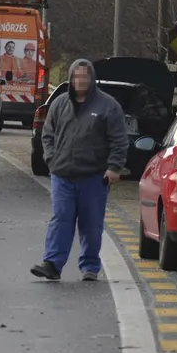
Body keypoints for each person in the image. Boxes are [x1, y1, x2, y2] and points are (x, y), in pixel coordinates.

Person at [31, 59, 130, 282]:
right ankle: (52, 264)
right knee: (61, 218)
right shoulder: (59, 104)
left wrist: (114, 167)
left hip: (93, 177)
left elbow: (119, 140)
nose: (80, 81)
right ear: (70, 78)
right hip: (62, 175)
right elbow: (47, 135)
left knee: (91, 223)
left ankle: (90, 265)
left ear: (91, 78)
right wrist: (51, 158)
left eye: (85, 76)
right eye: (76, 76)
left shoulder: (108, 106)